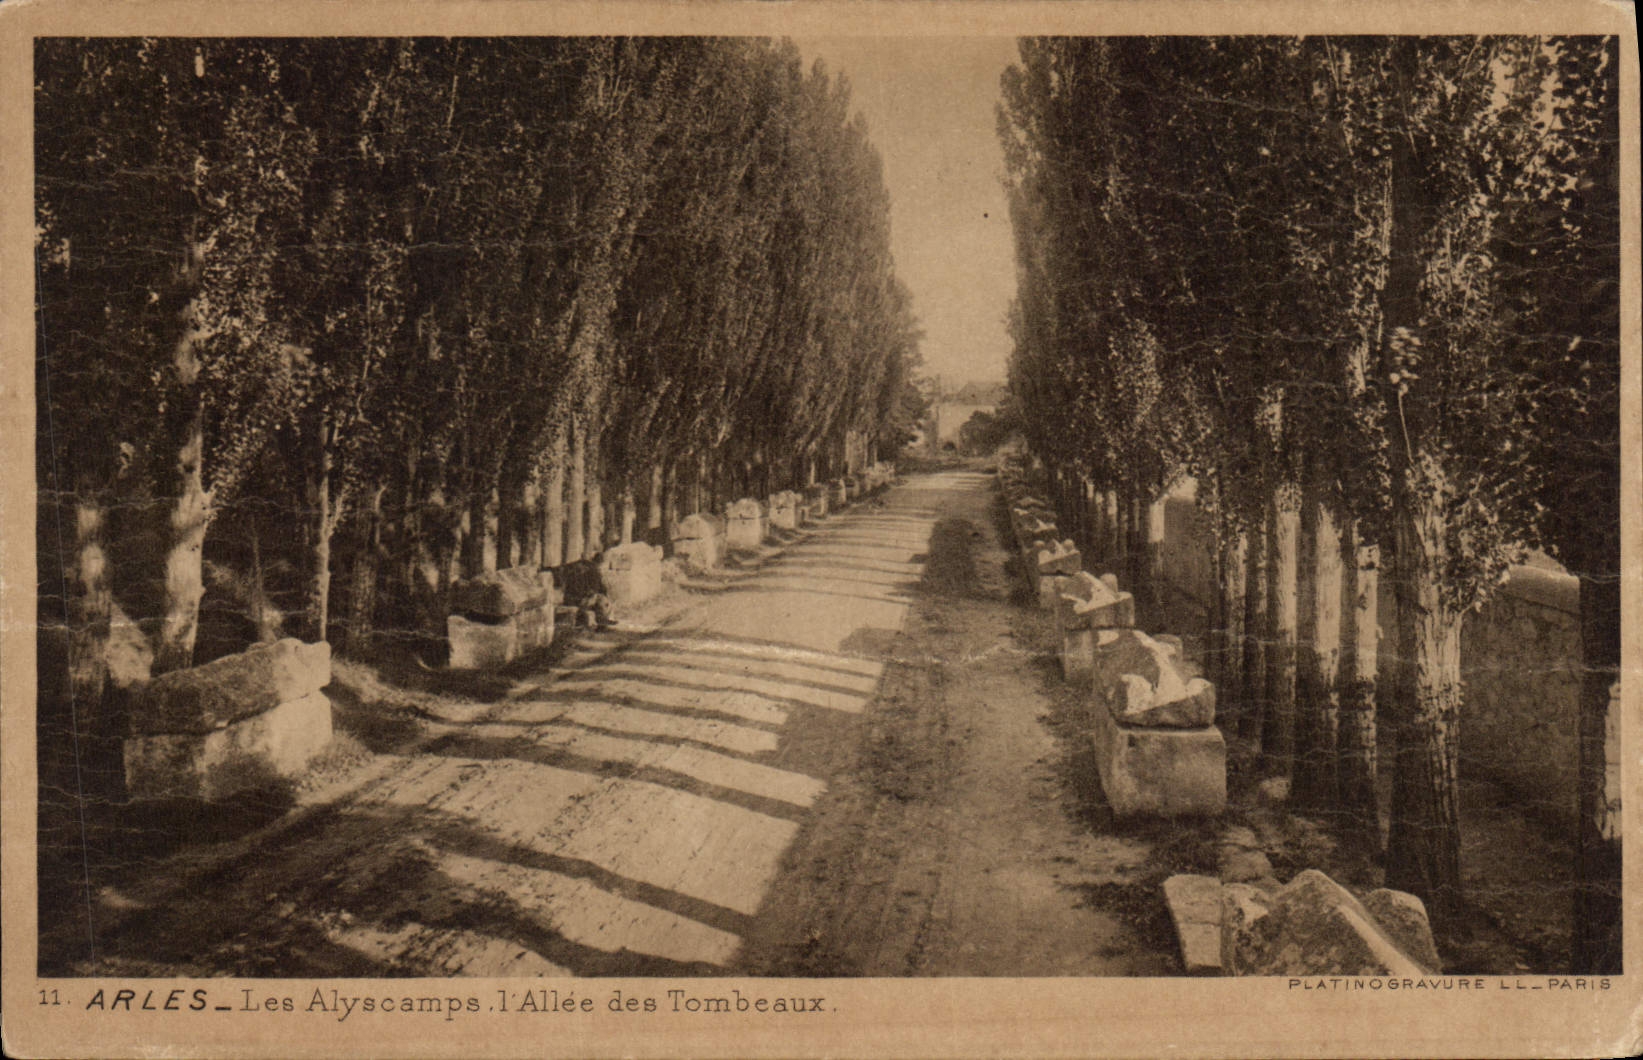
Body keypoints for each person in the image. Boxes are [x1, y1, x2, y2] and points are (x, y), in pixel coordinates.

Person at [560, 552, 618, 630]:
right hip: (582, 601)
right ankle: (602, 620)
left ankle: (598, 619)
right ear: (600, 563)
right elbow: (601, 589)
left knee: (597, 598)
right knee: (602, 599)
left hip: (568, 599)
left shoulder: (573, 567)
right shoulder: (594, 570)